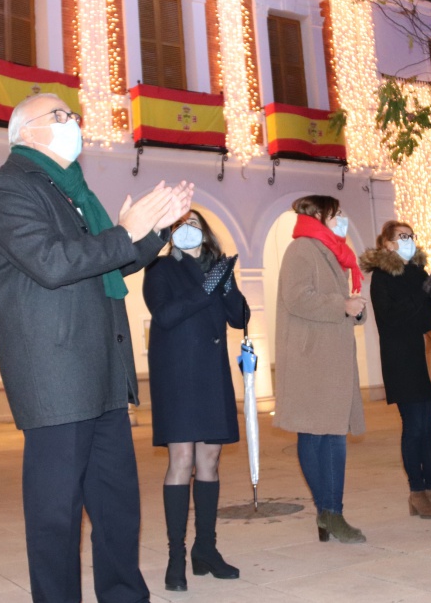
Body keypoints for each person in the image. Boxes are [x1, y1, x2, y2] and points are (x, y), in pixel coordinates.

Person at [0, 92, 193, 603]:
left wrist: (152, 231)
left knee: (117, 507)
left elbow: (105, 264)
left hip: (100, 373)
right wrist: (126, 230)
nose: (74, 124)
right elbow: (53, 262)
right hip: (55, 379)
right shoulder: (9, 189)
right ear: (27, 130)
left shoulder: (71, 191)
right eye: (62, 116)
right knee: (56, 517)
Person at [142, 209, 247, 592]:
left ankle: (206, 549)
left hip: (212, 374)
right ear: (171, 233)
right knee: (181, 459)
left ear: (205, 232)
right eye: (180, 226)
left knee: (210, 459)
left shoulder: (217, 270)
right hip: (178, 375)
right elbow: (166, 315)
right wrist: (205, 290)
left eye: (194, 226)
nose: (188, 232)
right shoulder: (159, 270)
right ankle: (175, 556)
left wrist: (227, 285)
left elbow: (239, 317)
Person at [273, 194, 369, 543]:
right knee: (323, 436)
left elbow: (344, 303)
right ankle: (332, 512)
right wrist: (340, 304)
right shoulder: (302, 250)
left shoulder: (333, 251)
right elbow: (296, 297)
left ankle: (327, 512)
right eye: (337, 214)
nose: (342, 219)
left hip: (329, 357)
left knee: (325, 435)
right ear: (318, 215)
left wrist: (356, 309)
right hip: (312, 359)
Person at [359, 220, 431, 520]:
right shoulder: (382, 277)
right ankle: (417, 492)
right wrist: (421, 297)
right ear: (387, 244)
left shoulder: (419, 271)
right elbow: (388, 320)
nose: (408, 241)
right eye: (402, 237)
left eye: (411, 236)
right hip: (403, 361)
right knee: (415, 427)